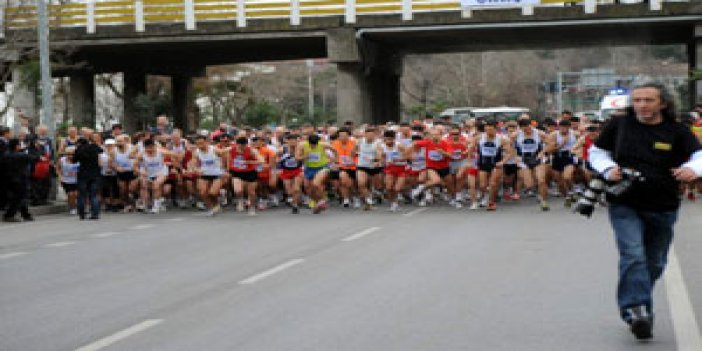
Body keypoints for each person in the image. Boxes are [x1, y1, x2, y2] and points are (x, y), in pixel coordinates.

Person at [589, 82, 702, 340]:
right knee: (634, 255)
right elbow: (597, 152)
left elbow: (699, 156)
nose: (642, 105)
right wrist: (608, 169)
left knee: (654, 262)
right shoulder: (619, 125)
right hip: (624, 201)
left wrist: (694, 170)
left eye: (648, 100)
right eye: (637, 100)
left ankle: (638, 300)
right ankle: (636, 312)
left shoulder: (677, 131)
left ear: (662, 103)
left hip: (663, 205)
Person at [2, 138, 39, 222]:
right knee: (19, 198)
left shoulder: (6, 154)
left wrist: (24, 149)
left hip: (9, 179)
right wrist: (33, 148)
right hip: (20, 179)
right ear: (16, 146)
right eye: (19, 144)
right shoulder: (21, 155)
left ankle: (26, 215)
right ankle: (9, 215)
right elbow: (34, 158)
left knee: (20, 197)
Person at [73, 134, 104, 220]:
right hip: (95, 174)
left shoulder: (79, 149)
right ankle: (95, 214)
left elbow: (74, 160)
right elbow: (101, 151)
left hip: (83, 174)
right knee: (93, 195)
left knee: (82, 195)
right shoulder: (94, 147)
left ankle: (82, 214)